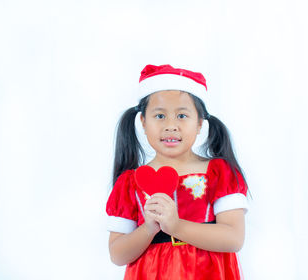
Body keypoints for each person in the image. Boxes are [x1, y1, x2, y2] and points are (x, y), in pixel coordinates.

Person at [106, 64, 249, 279]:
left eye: (182, 116)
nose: (171, 126)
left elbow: (234, 238)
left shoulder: (219, 173)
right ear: (143, 122)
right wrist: (148, 228)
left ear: (200, 123)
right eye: (160, 116)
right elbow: (117, 254)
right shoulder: (130, 183)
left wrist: (176, 225)